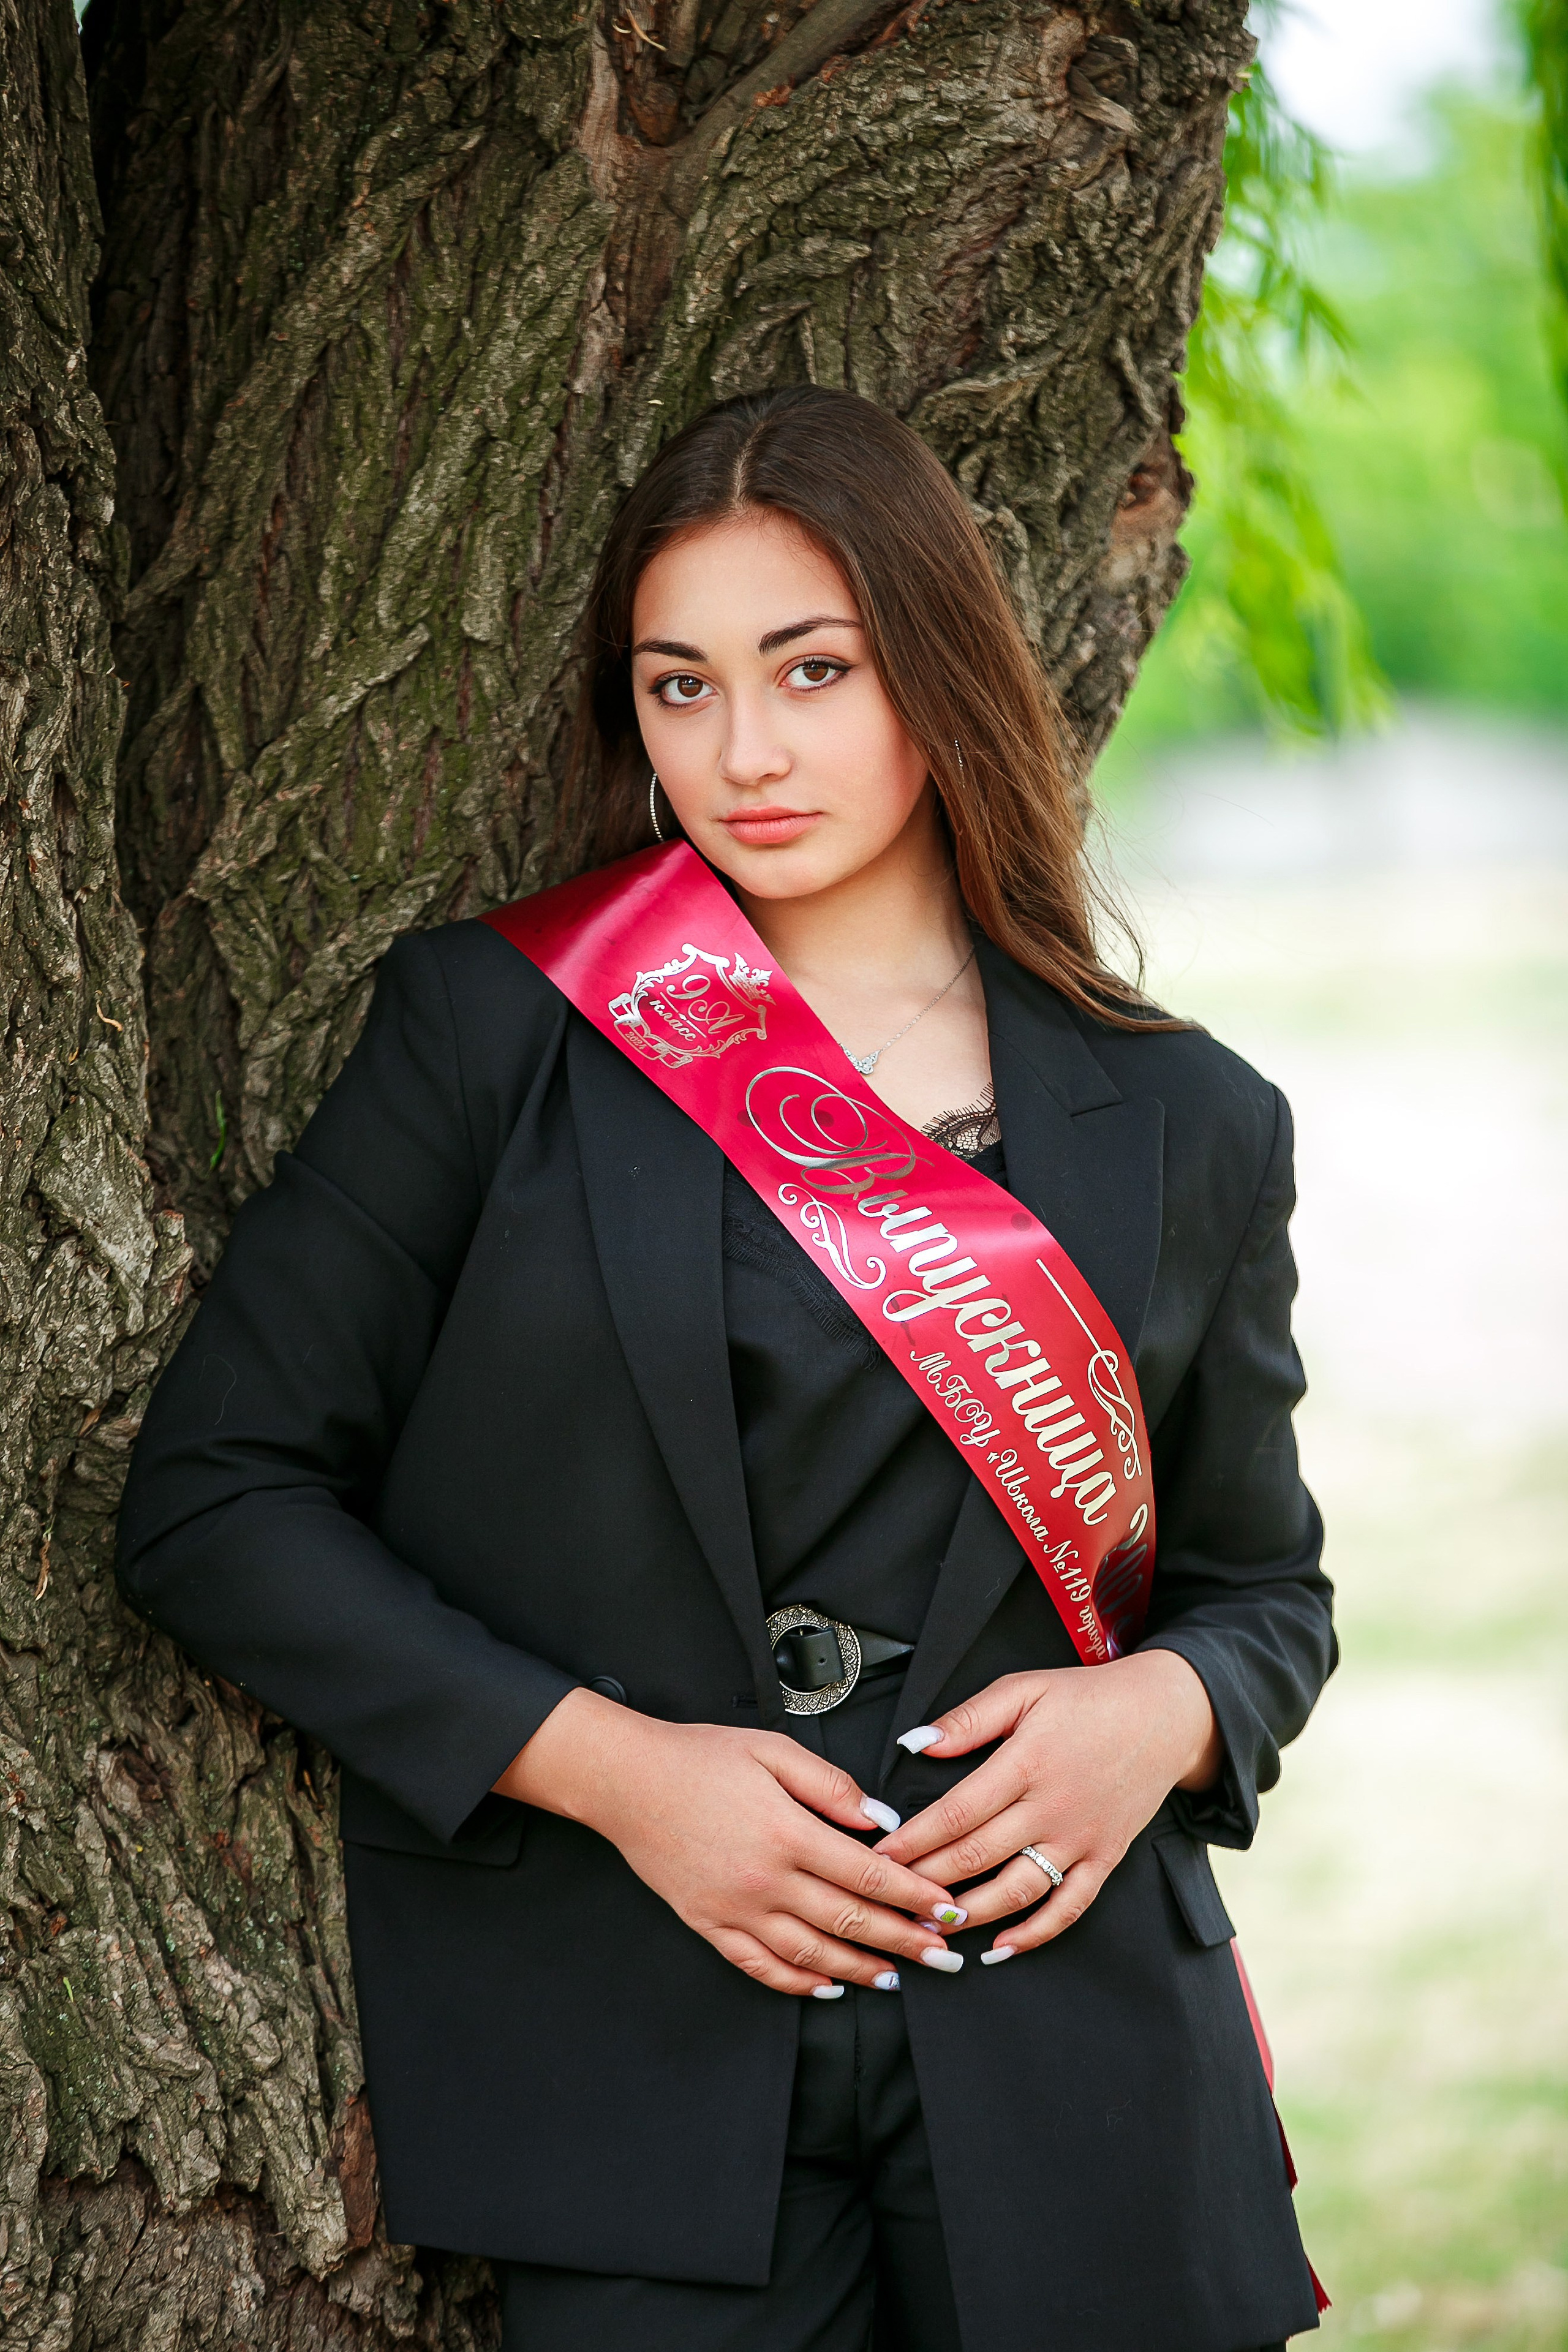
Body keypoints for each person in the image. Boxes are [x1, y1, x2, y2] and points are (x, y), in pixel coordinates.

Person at [117, 386, 1335, 2352]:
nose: (743, 752)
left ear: (937, 670)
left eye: (814, 670)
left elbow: (1264, 1590)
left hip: (1080, 2061)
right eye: (678, 687)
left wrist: (1170, 1716)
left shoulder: (1188, 1117)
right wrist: (614, 1775)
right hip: (639, 2061)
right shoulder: (490, 1037)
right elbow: (214, 1500)